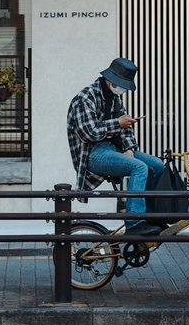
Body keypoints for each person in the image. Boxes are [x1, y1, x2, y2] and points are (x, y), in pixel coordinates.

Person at [66, 57, 165, 236]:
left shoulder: (115, 98)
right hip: (92, 154)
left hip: (114, 149)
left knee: (157, 165)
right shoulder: (85, 98)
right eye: (123, 85)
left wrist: (129, 149)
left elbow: (125, 128)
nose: (124, 90)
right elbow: (89, 133)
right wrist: (118, 123)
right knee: (140, 167)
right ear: (111, 81)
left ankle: (148, 217)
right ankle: (134, 224)